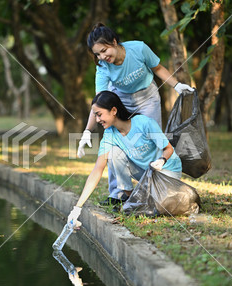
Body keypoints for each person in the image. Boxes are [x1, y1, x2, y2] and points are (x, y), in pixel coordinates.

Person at [77, 23, 193, 205]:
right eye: (97, 54)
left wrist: (176, 85)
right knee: (116, 144)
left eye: (104, 50)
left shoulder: (138, 48)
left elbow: (158, 68)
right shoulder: (103, 67)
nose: (102, 57)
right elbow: (99, 100)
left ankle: (155, 185)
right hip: (121, 99)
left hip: (147, 97)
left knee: (152, 141)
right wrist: (87, 131)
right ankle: (118, 194)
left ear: (114, 42)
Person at [67, 90, 182, 228]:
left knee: (164, 205)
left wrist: (162, 160)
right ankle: (131, 197)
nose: (97, 120)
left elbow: (169, 149)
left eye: (99, 114)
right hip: (146, 173)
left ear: (113, 110)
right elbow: (97, 170)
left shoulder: (144, 123)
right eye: (95, 116)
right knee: (114, 153)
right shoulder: (110, 134)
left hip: (166, 170)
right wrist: (77, 208)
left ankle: (143, 200)